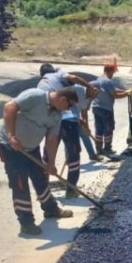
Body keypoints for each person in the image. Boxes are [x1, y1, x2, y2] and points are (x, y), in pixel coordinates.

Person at [0, 86, 78, 235]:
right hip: (12, 147)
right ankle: (26, 223)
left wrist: (51, 164)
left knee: (41, 178)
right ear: (62, 99)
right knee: (20, 184)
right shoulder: (35, 96)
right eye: (69, 105)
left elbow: (52, 139)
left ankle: (51, 209)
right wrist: (11, 136)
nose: (68, 109)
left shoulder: (56, 116)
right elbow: (9, 108)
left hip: (31, 148)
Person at [36, 64, 99, 198]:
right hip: (68, 121)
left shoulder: (40, 85)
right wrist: (90, 87)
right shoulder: (58, 75)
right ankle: (71, 190)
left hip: (51, 122)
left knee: (47, 155)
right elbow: (74, 77)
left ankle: (43, 191)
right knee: (73, 154)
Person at [91, 63, 132, 158]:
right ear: (110, 71)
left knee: (99, 129)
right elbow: (116, 95)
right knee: (109, 128)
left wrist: (126, 90)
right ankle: (108, 148)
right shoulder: (108, 81)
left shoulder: (99, 79)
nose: (113, 74)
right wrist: (128, 93)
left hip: (96, 107)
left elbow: (113, 89)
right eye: (113, 72)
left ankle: (99, 149)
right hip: (105, 109)